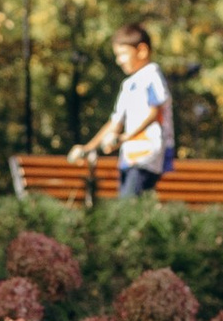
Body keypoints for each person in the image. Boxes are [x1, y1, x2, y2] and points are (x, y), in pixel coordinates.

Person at [67, 21, 175, 193]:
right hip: (129, 156)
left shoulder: (151, 75)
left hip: (147, 156)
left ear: (142, 50)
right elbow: (114, 122)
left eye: (123, 54)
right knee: (127, 208)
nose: (119, 61)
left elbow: (156, 112)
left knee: (128, 208)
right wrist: (88, 147)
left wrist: (124, 137)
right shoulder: (128, 84)